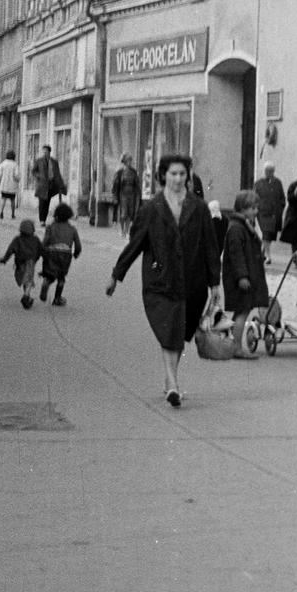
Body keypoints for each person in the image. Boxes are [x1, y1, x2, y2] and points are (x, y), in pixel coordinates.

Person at [106, 152, 221, 408]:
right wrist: (117, 274)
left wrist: (215, 283)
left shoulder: (199, 208)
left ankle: (171, 379)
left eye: (182, 174)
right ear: (163, 176)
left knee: (178, 333)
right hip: (161, 280)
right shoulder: (151, 208)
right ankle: (172, 383)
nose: (178, 178)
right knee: (169, 330)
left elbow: (211, 247)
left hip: (193, 281)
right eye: (173, 174)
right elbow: (135, 243)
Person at [222, 190, 269, 352]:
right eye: (253, 208)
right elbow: (237, 255)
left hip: (246, 276)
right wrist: (242, 276)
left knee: (242, 310)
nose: (256, 211)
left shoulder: (242, 225)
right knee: (242, 311)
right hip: (241, 279)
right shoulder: (237, 228)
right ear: (243, 208)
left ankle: (234, 345)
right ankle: (236, 347)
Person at [40, 202, 82, 305]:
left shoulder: (50, 227)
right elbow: (78, 245)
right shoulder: (72, 229)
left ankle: (46, 282)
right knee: (61, 277)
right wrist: (76, 254)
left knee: (49, 274)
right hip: (65, 254)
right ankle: (57, 298)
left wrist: (42, 252)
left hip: (51, 253)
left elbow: (45, 242)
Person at [0, 218, 43, 308]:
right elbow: (41, 250)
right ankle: (26, 296)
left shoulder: (17, 239)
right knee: (28, 279)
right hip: (30, 262)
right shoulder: (35, 239)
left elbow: (10, 250)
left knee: (24, 279)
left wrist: (5, 259)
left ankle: (27, 296)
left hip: (19, 262)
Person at [254, 162, 286, 263]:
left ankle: (261, 253)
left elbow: (282, 197)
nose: (269, 173)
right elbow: (254, 197)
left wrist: (280, 208)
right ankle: (268, 256)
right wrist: (257, 208)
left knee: (270, 235)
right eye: (267, 171)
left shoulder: (278, 183)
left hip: (275, 213)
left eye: (271, 171)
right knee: (266, 233)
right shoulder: (258, 183)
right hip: (263, 213)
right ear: (264, 171)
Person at [32, 144, 66, 225]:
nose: (44, 153)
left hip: (51, 185)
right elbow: (34, 171)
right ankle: (42, 220)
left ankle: (44, 219)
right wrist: (39, 176)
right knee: (42, 203)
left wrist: (61, 184)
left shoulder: (54, 162)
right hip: (42, 185)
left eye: (46, 151)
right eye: (43, 151)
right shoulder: (39, 161)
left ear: (49, 152)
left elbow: (57, 174)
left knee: (47, 203)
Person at [111, 153, 141, 237]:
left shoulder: (133, 172)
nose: (130, 162)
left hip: (132, 195)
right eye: (128, 161)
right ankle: (122, 229)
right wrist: (115, 196)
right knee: (123, 213)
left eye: (131, 161)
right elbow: (115, 184)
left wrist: (138, 194)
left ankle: (127, 231)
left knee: (130, 213)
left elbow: (137, 183)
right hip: (123, 194)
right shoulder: (120, 172)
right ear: (124, 162)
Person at [0, 149, 20, 219]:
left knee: (3, 199)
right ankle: (12, 214)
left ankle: (1, 211)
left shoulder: (3, 164)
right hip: (12, 185)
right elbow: (17, 175)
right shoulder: (15, 164)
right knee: (12, 200)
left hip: (4, 185)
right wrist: (17, 179)